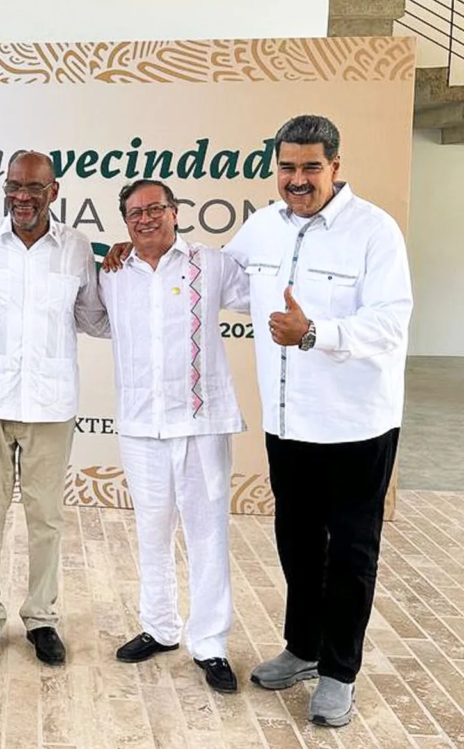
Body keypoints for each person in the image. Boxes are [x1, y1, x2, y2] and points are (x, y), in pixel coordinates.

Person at [224, 115, 412, 726]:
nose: (297, 179)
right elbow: (216, 279)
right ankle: (303, 648)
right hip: (289, 423)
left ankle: (338, 672)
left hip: (357, 427)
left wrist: (315, 333)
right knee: (298, 545)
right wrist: (144, 251)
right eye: (287, 167)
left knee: (352, 554)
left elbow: (389, 322)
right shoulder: (261, 227)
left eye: (310, 167)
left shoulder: (373, 232)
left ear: (335, 166)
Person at [0, 150, 107, 666]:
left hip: (50, 402)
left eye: (33, 188)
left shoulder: (78, 249)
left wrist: (132, 270)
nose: (21, 197)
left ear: (53, 192)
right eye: (14, 186)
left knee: (47, 518)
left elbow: (95, 318)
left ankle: (41, 618)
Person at [98, 180, 248, 694]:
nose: (146, 219)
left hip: (202, 426)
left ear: (175, 212)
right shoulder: (113, 274)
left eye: (155, 209)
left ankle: (210, 644)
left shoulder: (212, 263)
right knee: (151, 531)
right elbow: (92, 322)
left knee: (208, 535)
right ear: (125, 222)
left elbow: (259, 292)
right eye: (135, 213)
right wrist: (114, 256)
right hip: (142, 425)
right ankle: (159, 628)